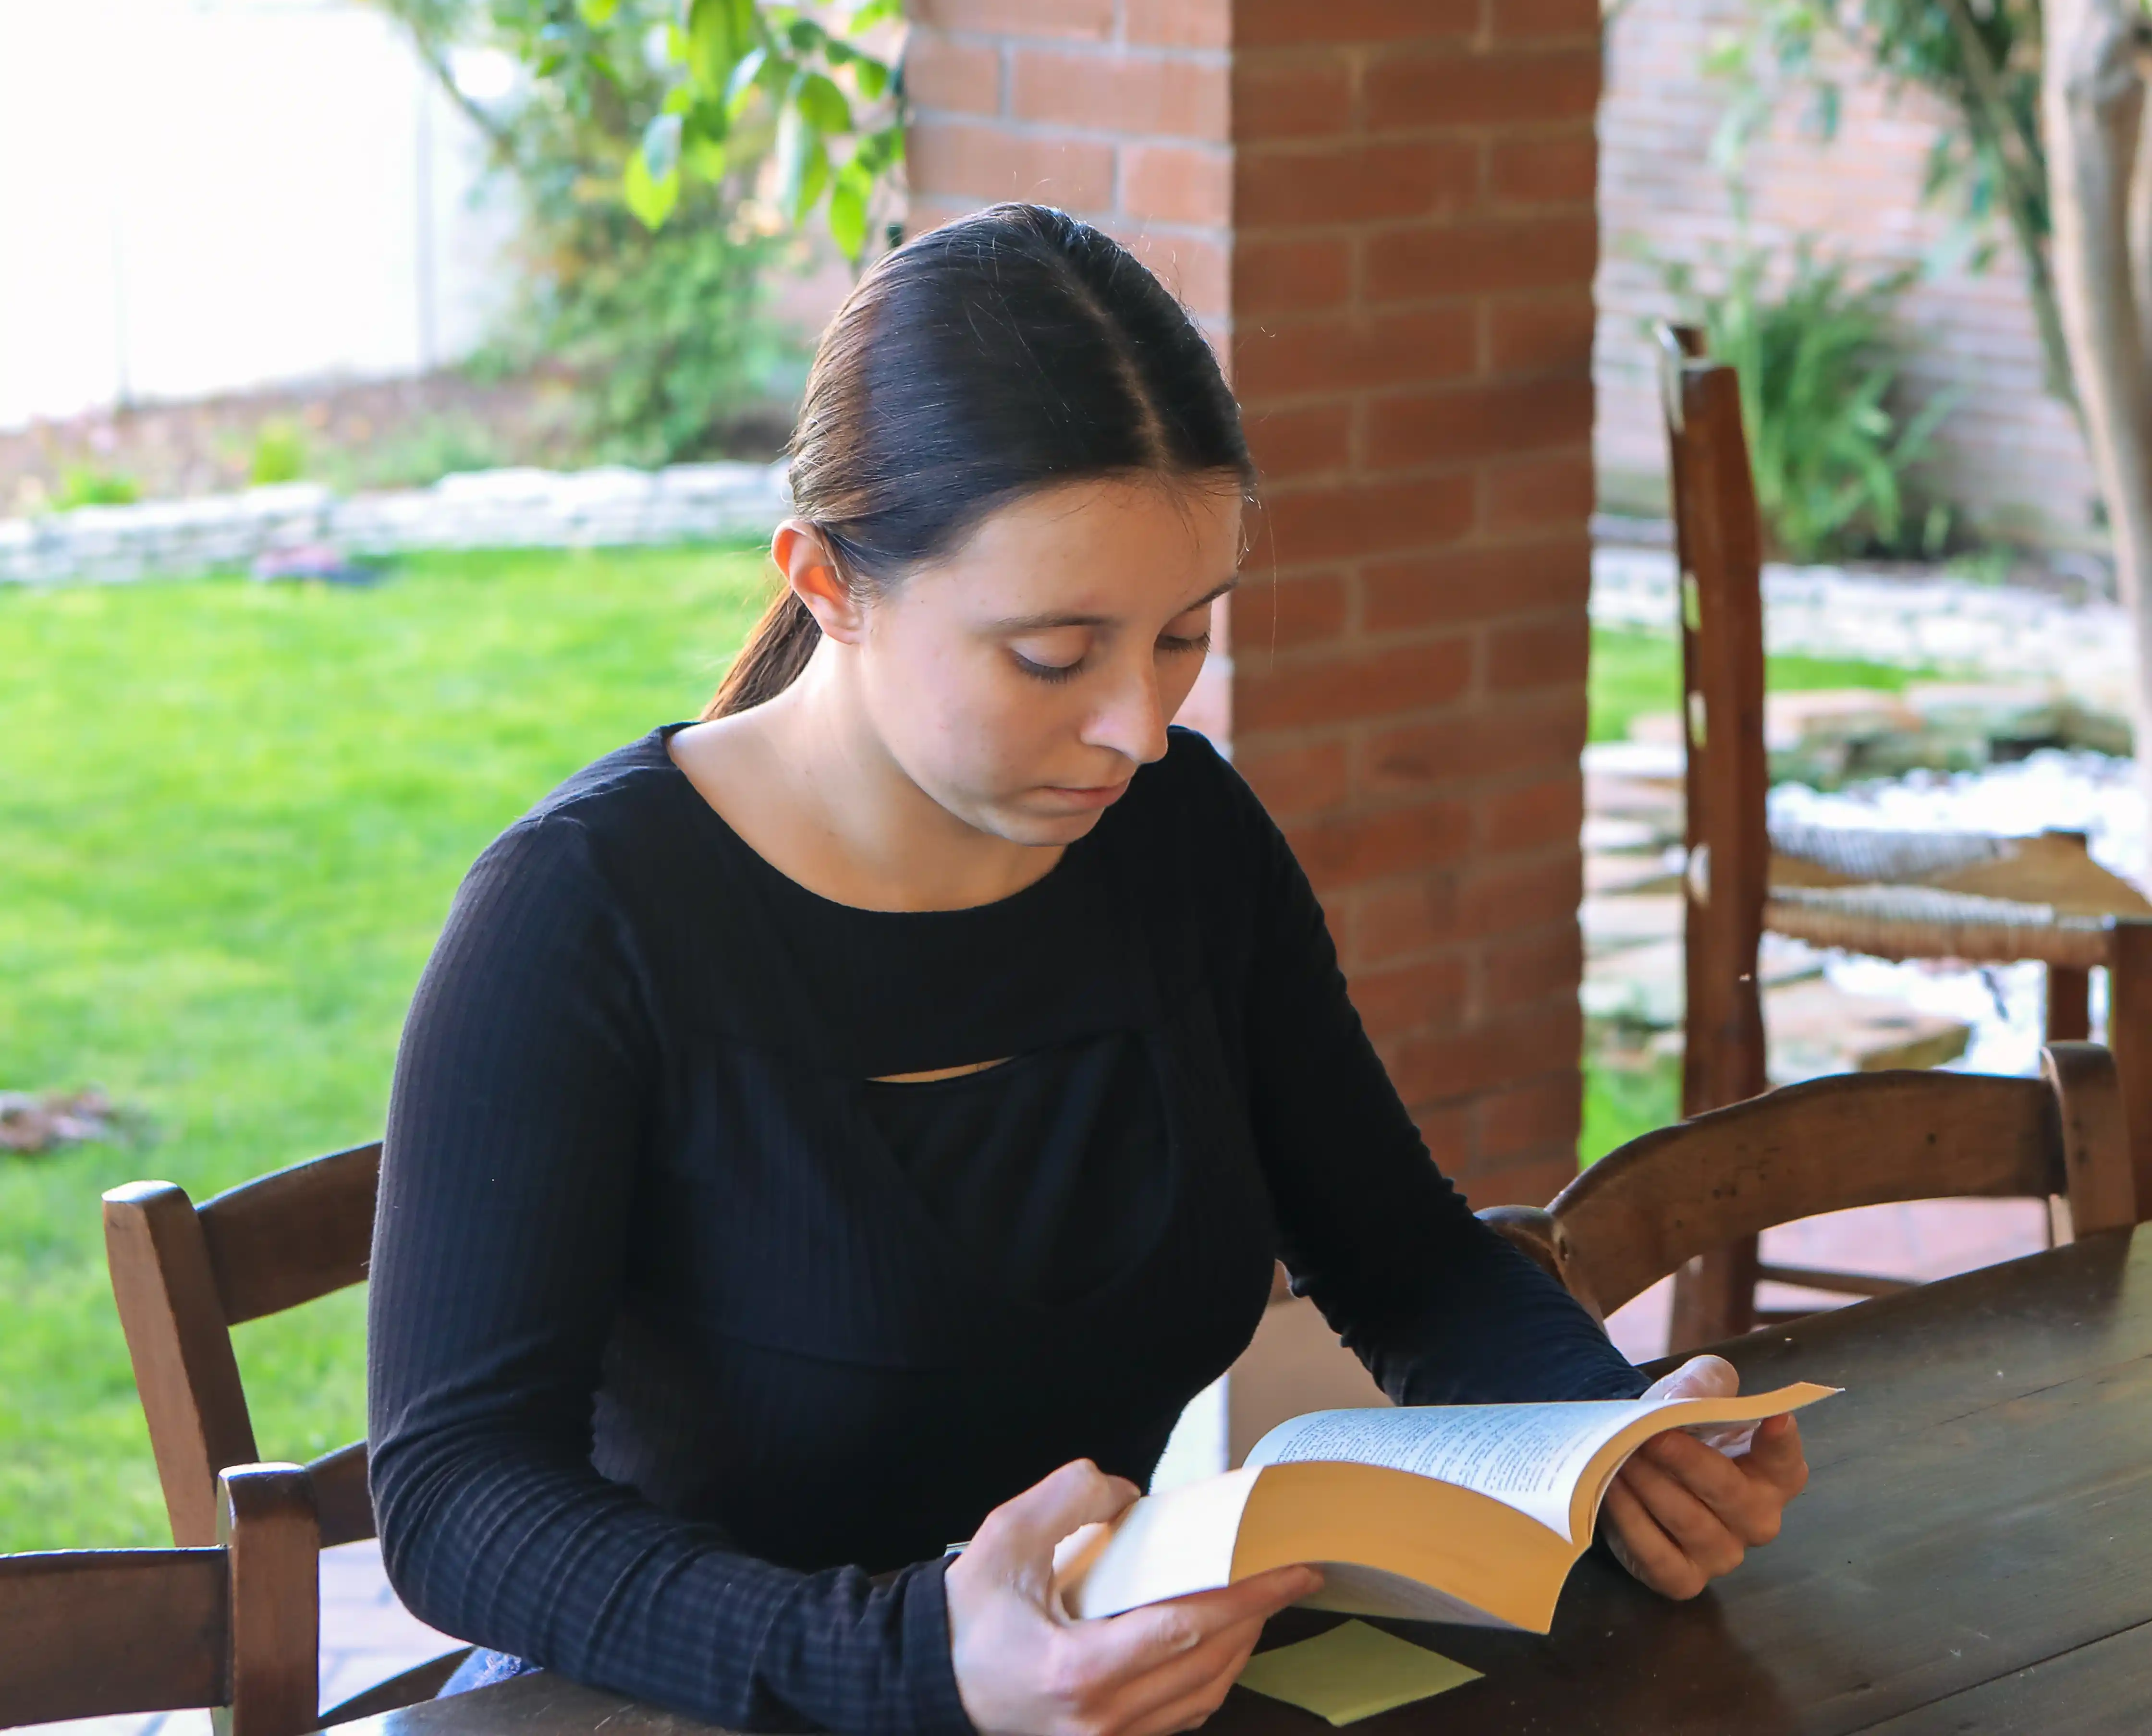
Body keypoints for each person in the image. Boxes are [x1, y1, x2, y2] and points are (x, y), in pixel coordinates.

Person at [367, 204, 1807, 1736]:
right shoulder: (585, 916)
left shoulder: (1182, 841)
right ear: (828, 583)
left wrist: (1606, 1440)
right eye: (1054, 655)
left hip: (1095, 1685)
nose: (1139, 728)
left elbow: (1407, 1259)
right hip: (665, 1704)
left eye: (1181, 637)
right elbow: (456, 1496)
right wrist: (912, 1659)